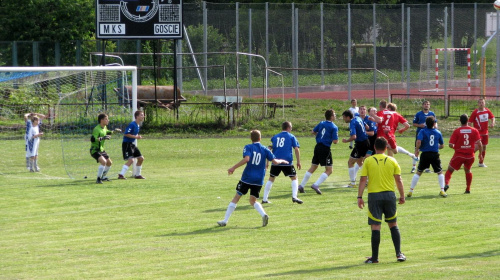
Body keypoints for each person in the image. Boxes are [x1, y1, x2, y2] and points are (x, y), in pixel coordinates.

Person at [217, 130, 289, 227]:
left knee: (236, 197)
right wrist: (282, 160)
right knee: (253, 201)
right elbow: (275, 161)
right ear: (260, 138)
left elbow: (247, 159)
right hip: (258, 180)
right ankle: (263, 214)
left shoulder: (248, 147)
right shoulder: (265, 149)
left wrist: (233, 167)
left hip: (247, 178)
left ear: (251, 138)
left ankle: (225, 221)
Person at [357, 137, 406, 264]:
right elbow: (398, 179)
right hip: (389, 196)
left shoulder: (368, 161)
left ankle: (375, 258)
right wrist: (402, 195)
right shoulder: (392, 161)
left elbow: (363, 180)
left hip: (374, 196)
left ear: (374, 147)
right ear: (386, 148)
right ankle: (399, 254)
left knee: (375, 226)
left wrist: (360, 197)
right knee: (393, 224)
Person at [298, 109, 339, 195]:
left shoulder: (321, 123)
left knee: (313, 167)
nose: (335, 116)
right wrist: (329, 138)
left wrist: (320, 136)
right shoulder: (334, 127)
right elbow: (335, 141)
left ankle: (301, 185)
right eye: (334, 114)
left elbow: (313, 131)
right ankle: (316, 185)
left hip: (317, 147)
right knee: (329, 169)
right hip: (325, 148)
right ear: (331, 116)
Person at [262, 121, 303, 204]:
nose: (291, 129)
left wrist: (267, 162)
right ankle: (294, 197)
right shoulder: (291, 137)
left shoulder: (275, 137)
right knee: (294, 178)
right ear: (288, 128)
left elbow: (269, 149)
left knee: (271, 179)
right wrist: (298, 161)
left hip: (275, 161)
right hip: (287, 162)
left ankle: (264, 199)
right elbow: (296, 149)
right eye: (291, 127)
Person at [407, 116, 446, 197]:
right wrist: (435, 146)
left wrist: (417, 150)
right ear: (434, 123)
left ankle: (411, 191)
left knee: (419, 172)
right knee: (439, 172)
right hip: (434, 154)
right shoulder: (438, 132)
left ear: (425, 123)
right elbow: (442, 145)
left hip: (425, 154)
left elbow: (418, 141)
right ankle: (442, 190)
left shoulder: (422, 131)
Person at [445, 114, 483, 194]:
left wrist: (456, 148)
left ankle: (446, 184)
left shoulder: (457, 131)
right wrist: (480, 154)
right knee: (468, 170)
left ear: (460, 121)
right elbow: (479, 144)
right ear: (468, 120)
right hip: (470, 156)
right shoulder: (474, 130)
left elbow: (451, 144)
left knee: (450, 169)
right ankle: (468, 189)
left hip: (459, 154)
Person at [90, 113, 121, 184]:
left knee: (109, 163)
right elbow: (92, 139)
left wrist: (114, 131)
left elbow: (107, 132)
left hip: (101, 149)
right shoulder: (96, 129)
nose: (108, 120)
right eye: (106, 119)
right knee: (104, 162)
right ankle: (98, 179)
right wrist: (103, 138)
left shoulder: (104, 127)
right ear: (101, 120)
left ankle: (103, 177)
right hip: (95, 150)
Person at [341, 110, 370, 188]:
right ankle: (368, 180)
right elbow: (367, 127)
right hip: (366, 142)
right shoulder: (358, 117)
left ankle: (353, 183)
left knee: (350, 162)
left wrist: (346, 141)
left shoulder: (352, 123)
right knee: (360, 162)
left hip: (360, 144)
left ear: (348, 117)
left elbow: (354, 136)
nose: (344, 119)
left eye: (344, 117)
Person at [118, 111, 146, 180]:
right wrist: (136, 137)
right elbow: (126, 134)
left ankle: (138, 175)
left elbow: (133, 134)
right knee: (131, 160)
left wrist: (137, 136)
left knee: (141, 158)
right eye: (141, 115)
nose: (143, 116)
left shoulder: (138, 125)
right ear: (137, 117)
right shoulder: (132, 124)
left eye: (143, 115)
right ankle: (121, 175)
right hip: (126, 144)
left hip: (131, 144)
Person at [468, 98, 495, 167]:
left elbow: (492, 117)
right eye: (479, 102)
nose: (481, 104)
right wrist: (470, 131)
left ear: (484, 103)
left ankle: (481, 162)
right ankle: (466, 159)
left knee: (484, 147)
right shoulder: (475, 112)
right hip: (478, 133)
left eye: (482, 102)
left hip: (485, 133)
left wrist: (492, 123)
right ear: (478, 104)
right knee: (477, 147)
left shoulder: (487, 111)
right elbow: (469, 122)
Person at [412, 100, 437, 173]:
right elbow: (414, 124)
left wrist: (435, 128)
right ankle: (414, 167)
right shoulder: (418, 114)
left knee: (427, 150)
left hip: (428, 134)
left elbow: (435, 123)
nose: (426, 105)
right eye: (425, 104)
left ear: (429, 106)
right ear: (422, 105)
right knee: (417, 149)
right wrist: (420, 125)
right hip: (420, 133)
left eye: (428, 104)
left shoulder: (432, 114)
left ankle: (427, 168)